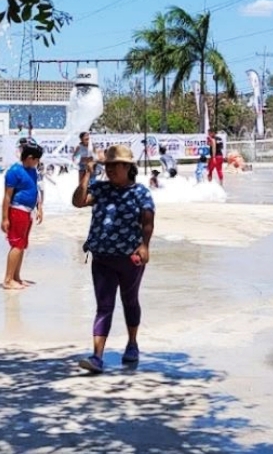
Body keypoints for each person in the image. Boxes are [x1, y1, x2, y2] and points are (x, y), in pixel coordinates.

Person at [72, 144, 155, 374]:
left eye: (114, 165)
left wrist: (144, 246)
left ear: (127, 167)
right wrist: (87, 175)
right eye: (107, 165)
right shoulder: (99, 189)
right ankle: (97, 356)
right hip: (102, 258)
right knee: (104, 306)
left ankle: (132, 343)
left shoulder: (140, 192)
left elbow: (147, 221)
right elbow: (78, 201)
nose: (109, 169)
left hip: (130, 259)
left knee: (130, 301)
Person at [2, 143, 44, 289]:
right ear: (30, 158)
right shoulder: (14, 171)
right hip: (17, 210)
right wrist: (5, 218)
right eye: (37, 160)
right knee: (17, 245)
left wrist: (39, 208)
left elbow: (35, 190)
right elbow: (7, 196)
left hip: (28, 211)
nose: (37, 163)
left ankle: (16, 277)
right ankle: (8, 280)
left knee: (22, 245)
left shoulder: (32, 170)